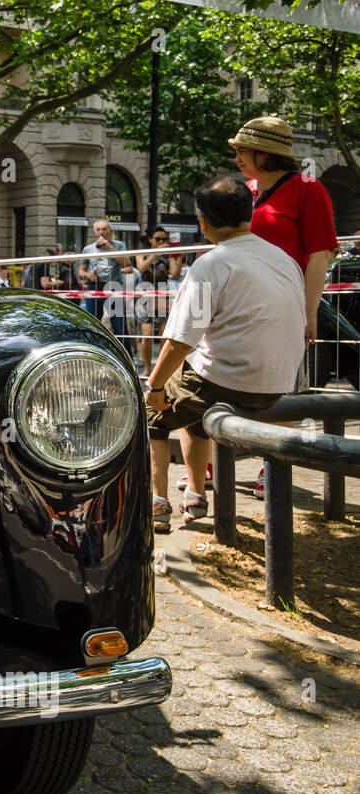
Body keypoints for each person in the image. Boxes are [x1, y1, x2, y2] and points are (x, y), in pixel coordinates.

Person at [145, 178, 305, 533]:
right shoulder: (284, 259)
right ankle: (196, 495)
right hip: (282, 384)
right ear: (249, 214)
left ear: (203, 221)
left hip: (229, 382)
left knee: (154, 411)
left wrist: (154, 386)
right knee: (187, 402)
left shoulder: (210, 264)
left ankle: (159, 503)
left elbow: (180, 340)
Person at [230, 115, 340, 499]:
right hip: (241, 305)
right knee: (233, 380)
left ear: (264, 153)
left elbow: (319, 255)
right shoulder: (245, 190)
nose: (236, 156)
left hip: (285, 303)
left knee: (283, 387)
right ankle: (222, 457)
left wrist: (308, 313)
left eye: (242, 150)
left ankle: (273, 464)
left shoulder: (309, 189)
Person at [135, 228, 183, 377]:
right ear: (150, 239)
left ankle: (161, 369)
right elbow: (141, 268)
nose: (162, 242)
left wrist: (177, 253)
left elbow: (175, 274)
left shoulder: (167, 255)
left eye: (164, 239)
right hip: (146, 294)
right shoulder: (141, 252)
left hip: (163, 295)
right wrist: (155, 253)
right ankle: (148, 368)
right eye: (158, 239)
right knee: (147, 334)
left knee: (164, 334)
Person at [77, 220, 132, 345]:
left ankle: (127, 357)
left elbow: (126, 264)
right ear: (95, 232)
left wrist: (109, 248)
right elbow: (81, 271)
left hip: (113, 286)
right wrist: (88, 275)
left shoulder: (119, 246)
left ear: (110, 231)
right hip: (95, 286)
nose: (101, 232)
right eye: (98, 229)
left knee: (119, 325)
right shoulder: (88, 249)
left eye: (104, 229)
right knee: (91, 323)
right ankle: (91, 352)